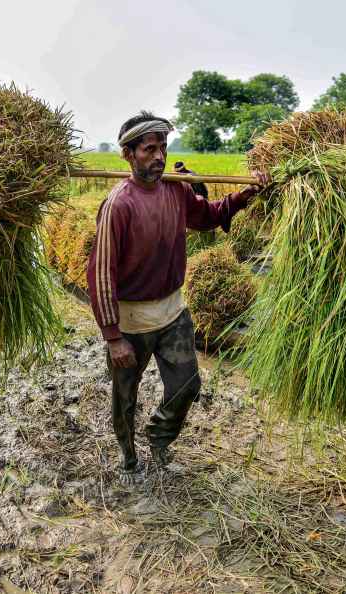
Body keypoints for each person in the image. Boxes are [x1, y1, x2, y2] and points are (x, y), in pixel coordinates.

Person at [86, 111, 268, 485]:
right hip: (131, 321)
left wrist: (243, 196)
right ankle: (128, 457)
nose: (159, 157)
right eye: (149, 149)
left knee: (186, 385)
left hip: (172, 313)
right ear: (128, 154)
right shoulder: (119, 204)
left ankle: (159, 437)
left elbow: (207, 216)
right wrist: (113, 337)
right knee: (125, 396)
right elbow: (100, 273)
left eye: (163, 148)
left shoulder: (176, 189)